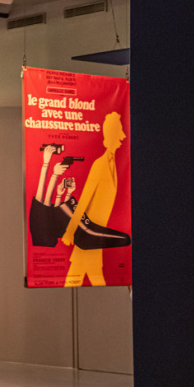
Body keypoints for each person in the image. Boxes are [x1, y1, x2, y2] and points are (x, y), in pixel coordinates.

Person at [62, 112, 128, 287]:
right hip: (88, 238)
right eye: (120, 131)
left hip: (95, 239)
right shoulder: (99, 165)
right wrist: (70, 231)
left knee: (89, 278)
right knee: (86, 279)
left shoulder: (113, 164)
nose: (123, 136)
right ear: (113, 134)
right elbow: (84, 200)